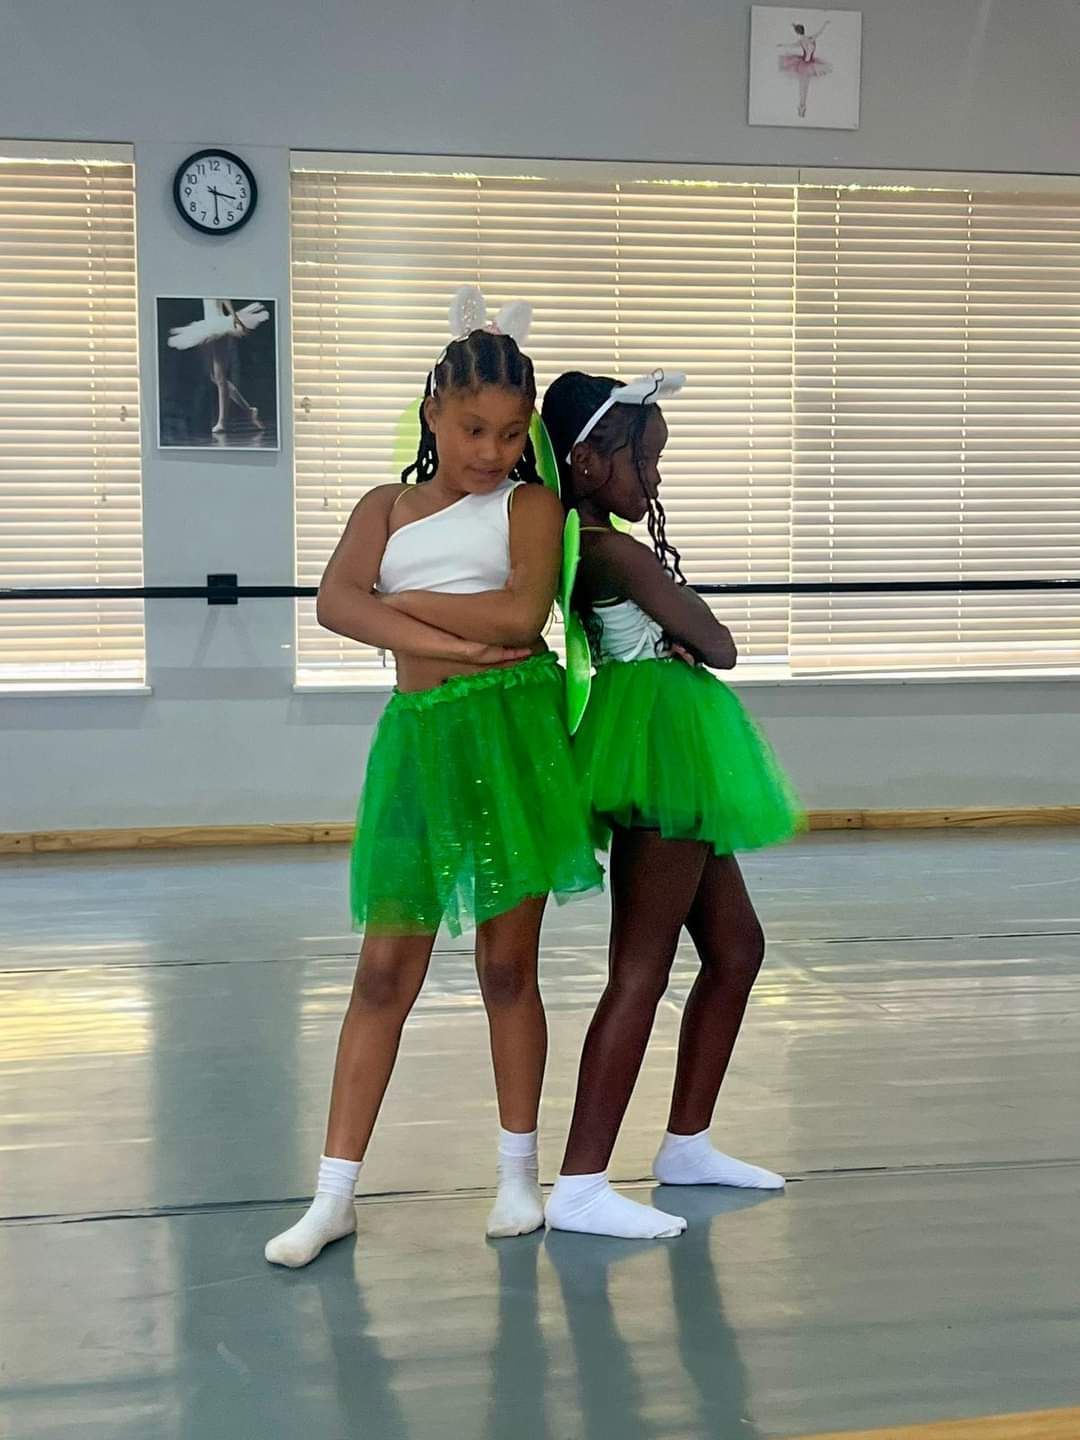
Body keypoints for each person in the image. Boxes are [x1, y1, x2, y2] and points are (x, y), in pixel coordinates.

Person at [265, 294, 601, 1268]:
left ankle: (517, 1176)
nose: (491, 451)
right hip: (417, 742)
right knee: (383, 973)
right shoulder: (384, 506)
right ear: (432, 415)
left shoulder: (529, 507)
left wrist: (400, 602)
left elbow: (520, 616)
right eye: (471, 429)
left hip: (511, 738)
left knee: (506, 968)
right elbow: (337, 604)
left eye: (510, 433)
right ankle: (333, 1197)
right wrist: (440, 634)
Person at [540, 369, 803, 1239]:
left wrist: (681, 631)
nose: (654, 479)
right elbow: (719, 645)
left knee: (737, 948)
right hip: (660, 751)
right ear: (587, 462)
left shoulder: (585, 544)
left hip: (660, 745)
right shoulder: (615, 551)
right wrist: (692, 631)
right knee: (640, 970)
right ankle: (580, 1183)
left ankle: (687, 1145)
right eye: (644, 462)